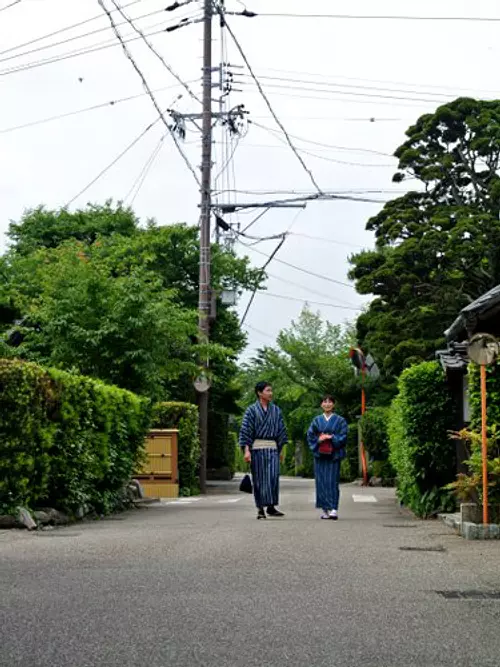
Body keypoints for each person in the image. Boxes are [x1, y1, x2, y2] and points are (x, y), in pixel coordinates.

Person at [239, 381, 288, 520]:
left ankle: (271, 507)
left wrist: (281, 450)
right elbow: (245, 431)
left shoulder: (276, 410)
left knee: (273, 478)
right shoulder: (251, 410)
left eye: (271, 390)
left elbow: (281, 431)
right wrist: (247, 451)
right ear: (260, 393)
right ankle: (260, 508)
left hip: (272, 448)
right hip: (257, 449)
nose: (270, 393)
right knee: (259, 479)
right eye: (268, 390)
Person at [307, 395, 348, 520]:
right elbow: (310, 435)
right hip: (320, 454)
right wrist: (319, 439)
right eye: (325, 402)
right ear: (321, 405)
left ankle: (334, 509)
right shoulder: (316, 420)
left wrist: (331, 438)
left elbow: (344, 435)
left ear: (333, 405)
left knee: (332, 481)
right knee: (321, 482)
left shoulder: (340, 420)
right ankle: (325, 509)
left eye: (330, 402)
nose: (327, 404)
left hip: (333, 454)